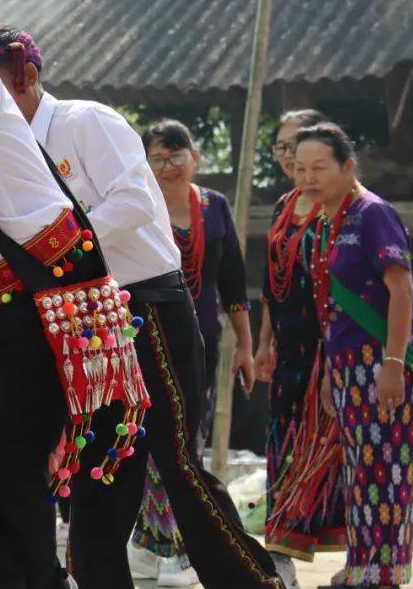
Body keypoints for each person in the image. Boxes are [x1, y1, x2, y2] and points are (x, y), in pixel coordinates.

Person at [0, 26, 282, 589]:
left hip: (147, 304)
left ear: (29, 77)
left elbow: (135, 202)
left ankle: (254, 582)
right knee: (102, 464)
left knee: (178, 462)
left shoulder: (86, 121)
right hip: (82, 316)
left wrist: (57, 248)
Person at [296, 122, 413, 588]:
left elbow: (402, 290)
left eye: (320, 168)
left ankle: (383, 571)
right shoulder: (330, 220)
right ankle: (362, 564)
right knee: (362, 464)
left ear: (349, 168)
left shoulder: (373, 214)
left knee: (389, 463)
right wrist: (333, 371)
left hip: (383, 356)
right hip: (348, 361)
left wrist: (392, 366)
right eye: (302, 169)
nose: (309, 178)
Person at [129, 118, 256, 584]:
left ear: (195, 158)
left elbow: (234, 283)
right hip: (144, 338)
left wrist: (246, 343)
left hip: (201, 344)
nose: (168, 167)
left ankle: (176, 547)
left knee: (187, 442)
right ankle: (154, 544)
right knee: (148, 439)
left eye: (177, 156)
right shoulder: (136, 204)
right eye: (158, 159)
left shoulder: (215, 207)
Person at [255, 109, 345, 589]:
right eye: (283, 148)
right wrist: (265, 340)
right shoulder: (284, 205)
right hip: (289, 347)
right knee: (283, 445)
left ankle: (358, 555)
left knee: (336, 449)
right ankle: (280, 554)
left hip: (335, 346)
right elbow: (273, 282)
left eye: (298, 146)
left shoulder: (348, 209)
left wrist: (336, 360)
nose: (290, 157)